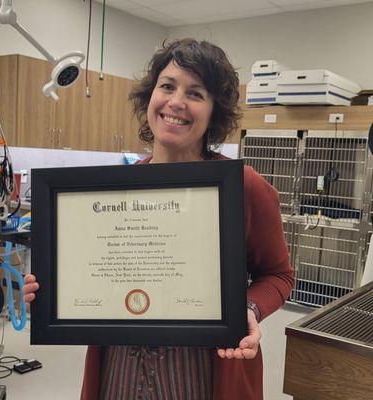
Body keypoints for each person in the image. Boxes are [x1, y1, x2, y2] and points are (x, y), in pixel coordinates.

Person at [23, 38, 294, 400]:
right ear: (150, 97)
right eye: (167, 86)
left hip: (204, 370)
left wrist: (248, 309)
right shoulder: (118, 187)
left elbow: (278, 274)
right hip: (119, 367)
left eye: (196, 93)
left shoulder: (244, 186)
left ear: (214, 111)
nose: (176, 102)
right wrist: (53, 294)